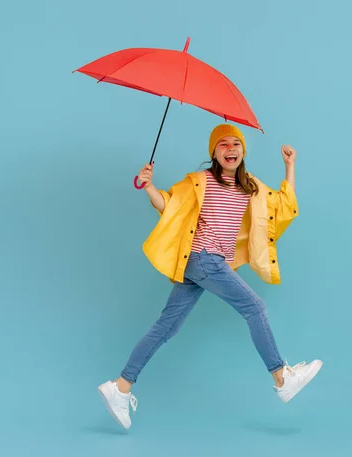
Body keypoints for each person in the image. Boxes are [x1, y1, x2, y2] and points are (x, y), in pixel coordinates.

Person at [97, 124, 322, 430]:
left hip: (200, 264)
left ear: (243, 151)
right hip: (204, 258)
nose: (231, 149)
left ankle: (120, 387)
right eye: (223, 145)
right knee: (254, 308)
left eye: (236, 145)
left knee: (167, 327)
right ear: (214, 153)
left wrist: (290, 165)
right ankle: (282, 378)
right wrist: (149, 186)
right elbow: (169, 206)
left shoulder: (250, 187)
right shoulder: (200, 181)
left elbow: (284, 206)